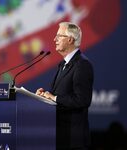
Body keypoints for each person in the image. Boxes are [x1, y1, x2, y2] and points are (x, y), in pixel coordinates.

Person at [36, 22, 94, 150]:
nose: (54, 39)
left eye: (59, 36)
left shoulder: (82, 64)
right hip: (58, 138)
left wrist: (54, 98)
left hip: (73, 141)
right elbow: (59, 97)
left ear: (70, 40)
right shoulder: (62, 64)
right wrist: (44, 97)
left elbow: (82, 100)